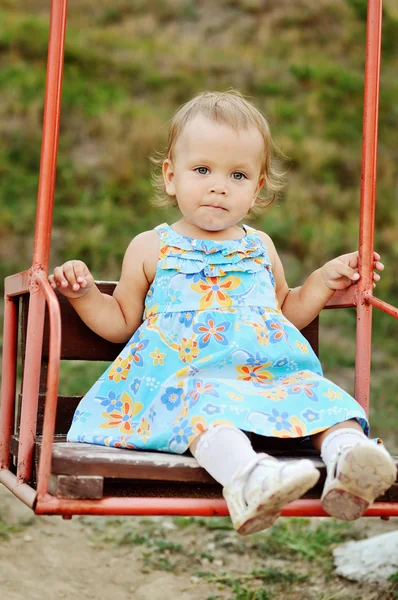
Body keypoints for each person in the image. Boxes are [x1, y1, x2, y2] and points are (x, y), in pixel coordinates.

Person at [49, 90, 396, 535]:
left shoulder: (259, 246)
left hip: (265, 378)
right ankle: (250, 479)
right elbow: (119, 323)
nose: (219, 185)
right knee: (204, 408)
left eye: (237, 174)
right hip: (187, 381)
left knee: (319, 395)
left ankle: (350, 461)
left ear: (257, 188)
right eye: (202, 170)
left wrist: (324, 280)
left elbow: (287, 310)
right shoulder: (151, 246)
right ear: (172, 177)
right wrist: (82, 295)